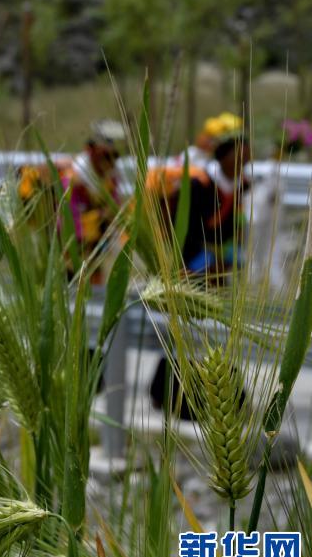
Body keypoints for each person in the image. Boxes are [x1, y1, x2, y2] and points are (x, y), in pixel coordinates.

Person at [147, 114, 252, 418]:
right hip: (192, 271)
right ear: (225, 153)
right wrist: (204, 263)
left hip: (217, 273)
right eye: (241, 151)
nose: (246, 158)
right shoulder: (198, 186)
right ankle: (175, 398)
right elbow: (183, 233)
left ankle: (217, 399)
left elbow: (233, 229)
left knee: (214, 335)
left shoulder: (238, 186)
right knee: (187, 333)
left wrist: (230, 259)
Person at [147, 113, 250, 276]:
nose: (243, 161)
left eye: (246, 156)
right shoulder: (199, 186)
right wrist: (201, 260)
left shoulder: (240, 186)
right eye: (239, 155)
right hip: (189, 256)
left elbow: (233, 224)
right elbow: (178, 226)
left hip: (216, 257)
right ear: (223, 156)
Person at [18, 119, 128, 259]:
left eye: (115, 156)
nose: (110, 162)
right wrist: (100, 219)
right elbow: (66, 227)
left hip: (88, 250)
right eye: (105, 155)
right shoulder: (72, 180)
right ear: (91, 151)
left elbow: (115, 214)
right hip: (60, 250)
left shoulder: (110, 180)